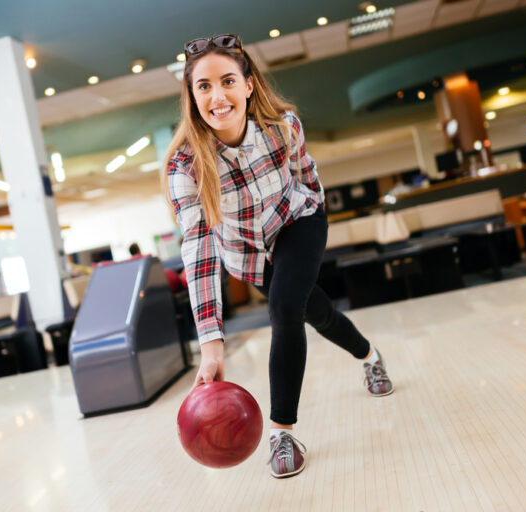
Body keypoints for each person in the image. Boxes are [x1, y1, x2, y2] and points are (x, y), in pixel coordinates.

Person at [164, 34, 393, 479]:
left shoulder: (282, 127)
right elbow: (199, 251)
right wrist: (211, 346)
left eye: (228, 81)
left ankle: (281, 434)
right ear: (192, 96)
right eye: (204, 86)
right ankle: (370, 357)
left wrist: (313, 223)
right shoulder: (185, 166)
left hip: (297, 220)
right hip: (247, 252)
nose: (217, 96)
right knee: (315, 311)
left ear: (248, 85)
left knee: (285, 306)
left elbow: (306, 175)